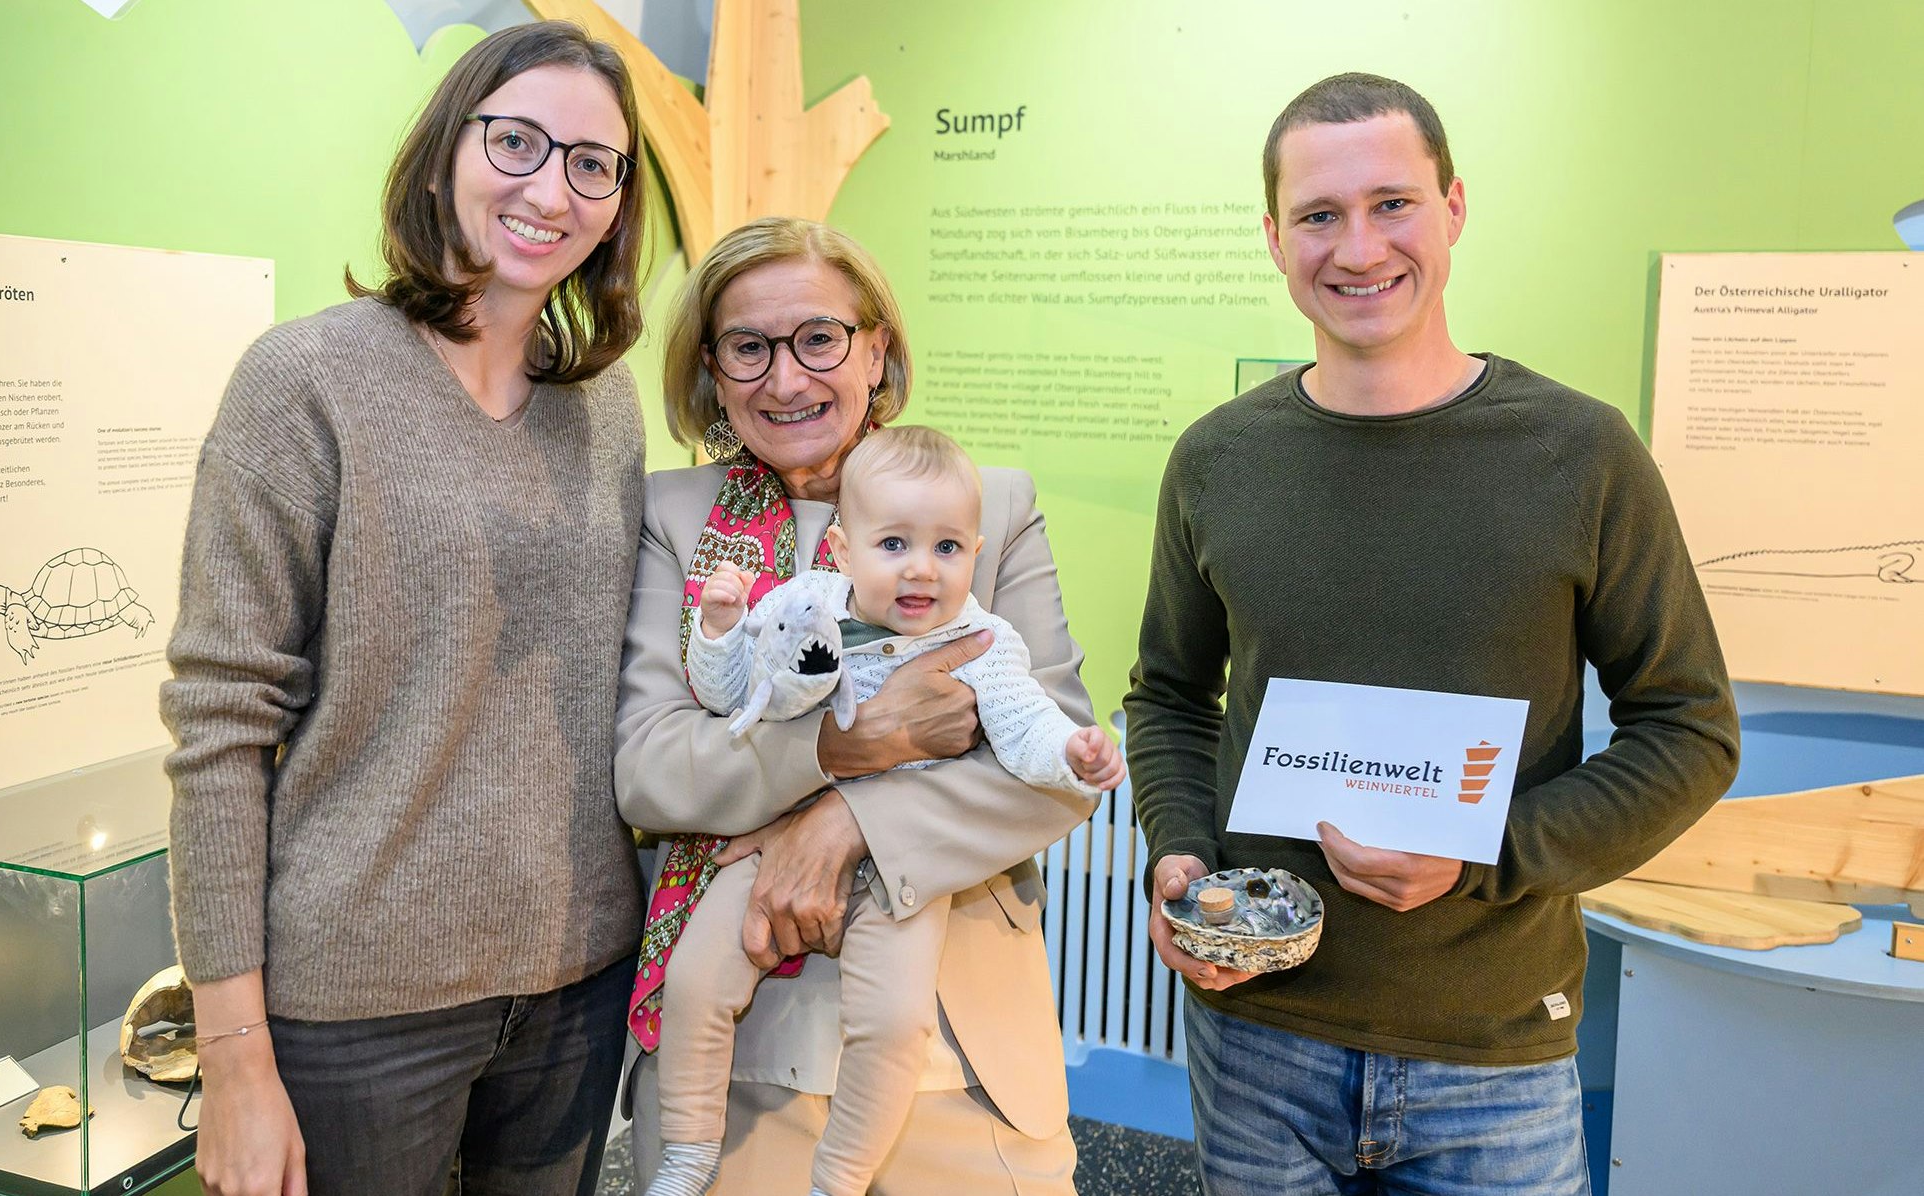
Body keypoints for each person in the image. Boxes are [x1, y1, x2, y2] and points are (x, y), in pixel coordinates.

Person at [1124, 73, 1740, 1195]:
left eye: (1390, 203)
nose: (1356, 247)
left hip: (1492, 1054)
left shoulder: (1581, 453)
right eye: (1318, 215)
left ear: (1453, 205)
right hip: (1258, 1035)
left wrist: (1488, 850)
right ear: (1273, 238)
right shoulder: (1215, 460)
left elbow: (1688, 730)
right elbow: (1167, 694)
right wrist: (1178, 849)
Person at [160, 22, 648, 1196]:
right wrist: (232, 1060)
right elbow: (220, 723)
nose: (552, 188)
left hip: (578, 987)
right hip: (357, 1011)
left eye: (594, 163)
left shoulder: (609, 407)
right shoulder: (304, 381)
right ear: (443, 155)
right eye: (517, 140)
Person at [616, 216, 1097, 1195]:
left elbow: (1049, 776)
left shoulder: (985, 509)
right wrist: (844, 747)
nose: (785, 379)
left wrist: (841, 821)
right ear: (711, 368)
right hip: (734, 1061)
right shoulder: (670, 516)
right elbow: (650, 767)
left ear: (874, 347)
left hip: (958, 1062)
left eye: (818, 339)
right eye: (748, 347)